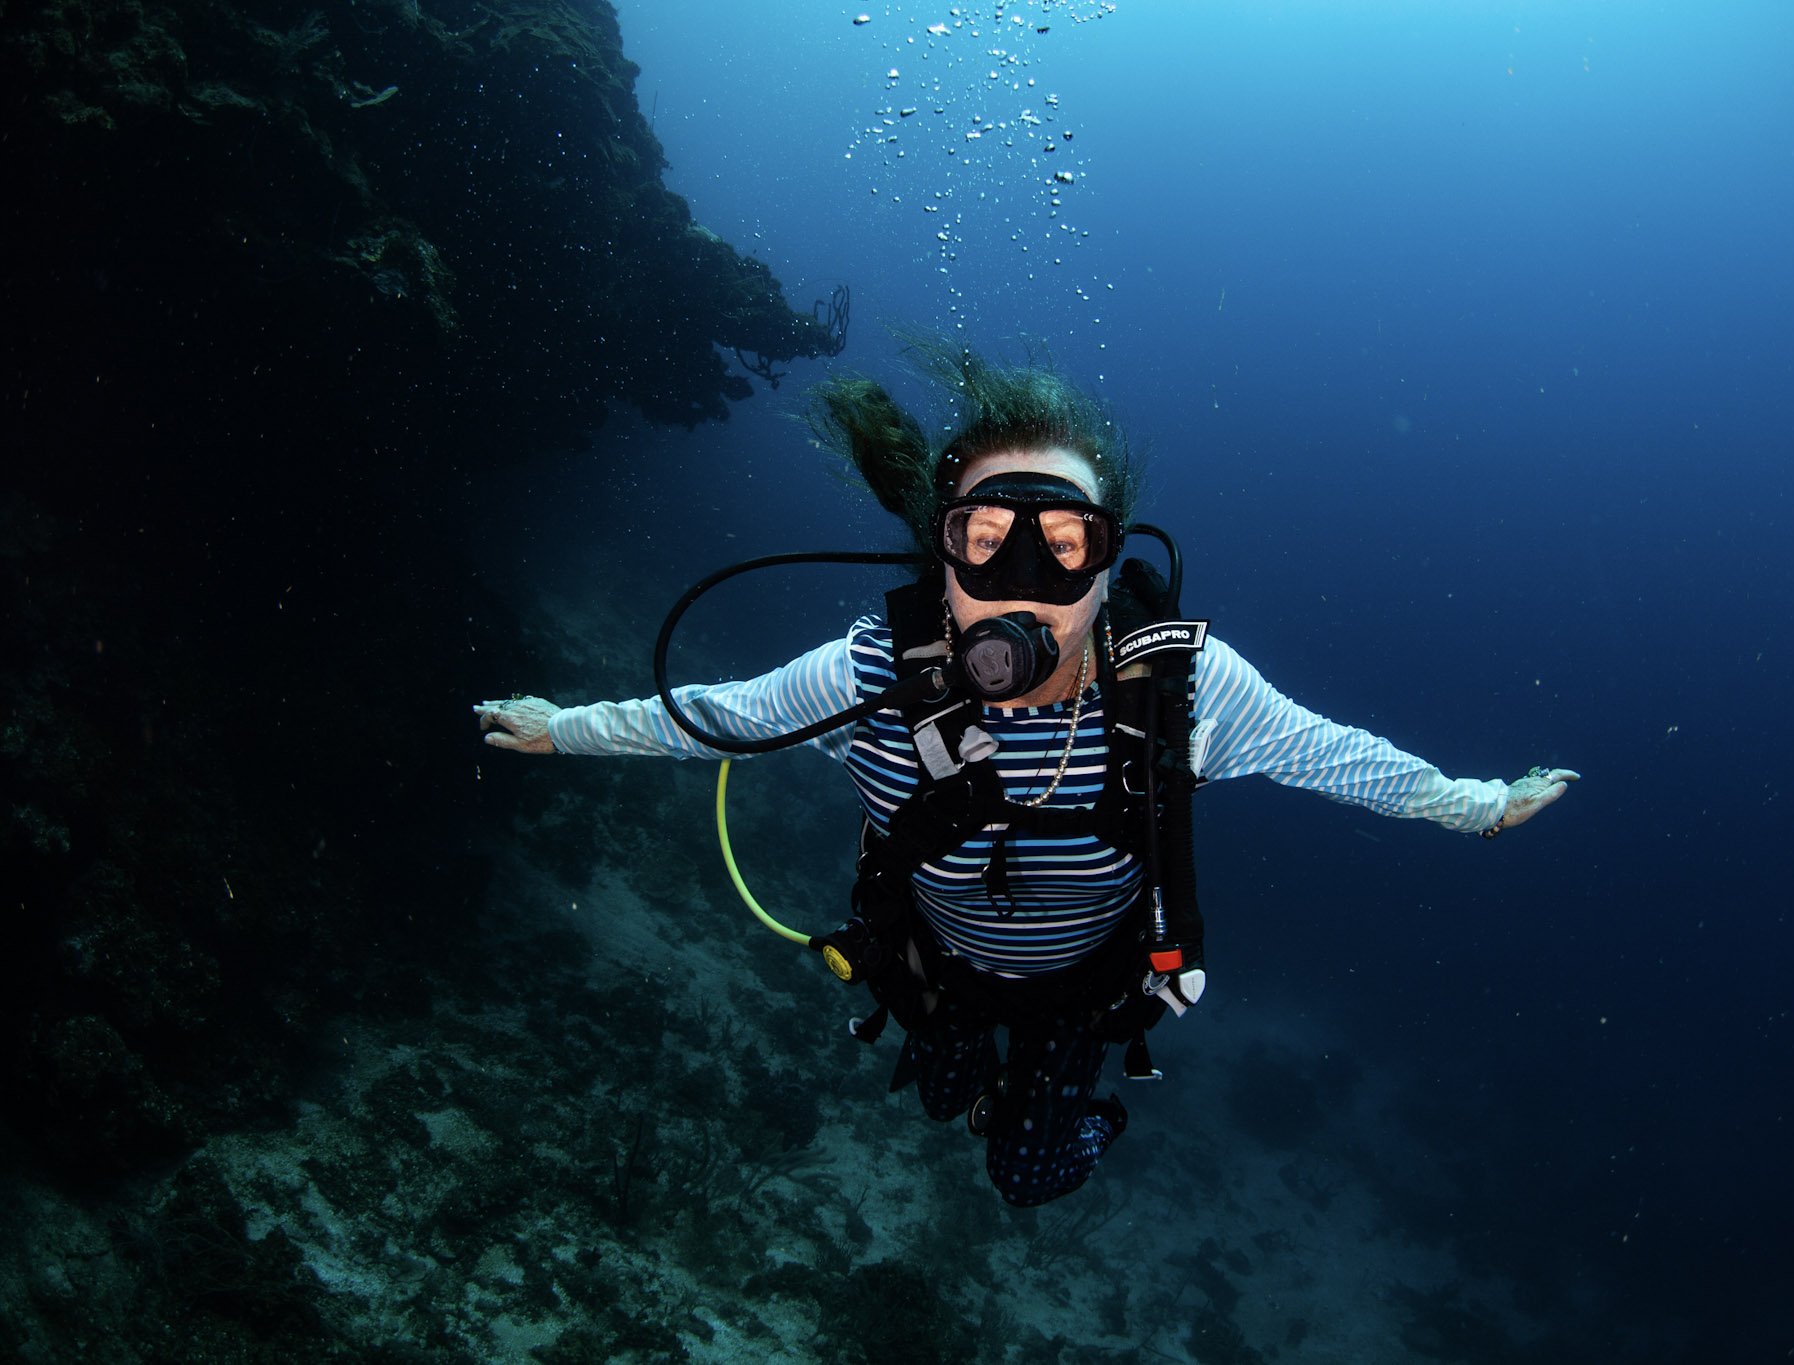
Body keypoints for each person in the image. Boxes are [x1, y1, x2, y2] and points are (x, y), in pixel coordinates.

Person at [475, 343, 1578, 1207]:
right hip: (933, 962)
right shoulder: (873, 669)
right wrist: (563, 730)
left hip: (1083, 988)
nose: (1022, 581)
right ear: (939, 556)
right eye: (985, 536)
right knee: (940, 1090)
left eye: (1061, 548)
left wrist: (1469, 807)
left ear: (1108, 566)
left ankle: (1064, 1115)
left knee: (1028, 1176)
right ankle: (963, 1073)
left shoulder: (1179, 689)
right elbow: (714, 719)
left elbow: (1333, 756)